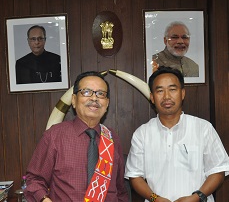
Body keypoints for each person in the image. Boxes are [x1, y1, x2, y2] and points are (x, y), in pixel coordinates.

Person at [125, 66, 229, 202]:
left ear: (183, 93)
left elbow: (218, 170)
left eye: (172, 89)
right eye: (160, 91)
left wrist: (196, 197)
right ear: (152, 97)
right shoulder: (142, 133)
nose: (166, 96)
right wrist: (155, 198)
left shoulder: (203, 128)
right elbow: (135, 176)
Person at [24, 71, 129, 202]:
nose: (94, 98)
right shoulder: (55, 135)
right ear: (74, 100)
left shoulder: (113, 138)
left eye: (101, 94)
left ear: (107, 104)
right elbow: (34, 179)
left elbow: (120, 190)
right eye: (86, 92)